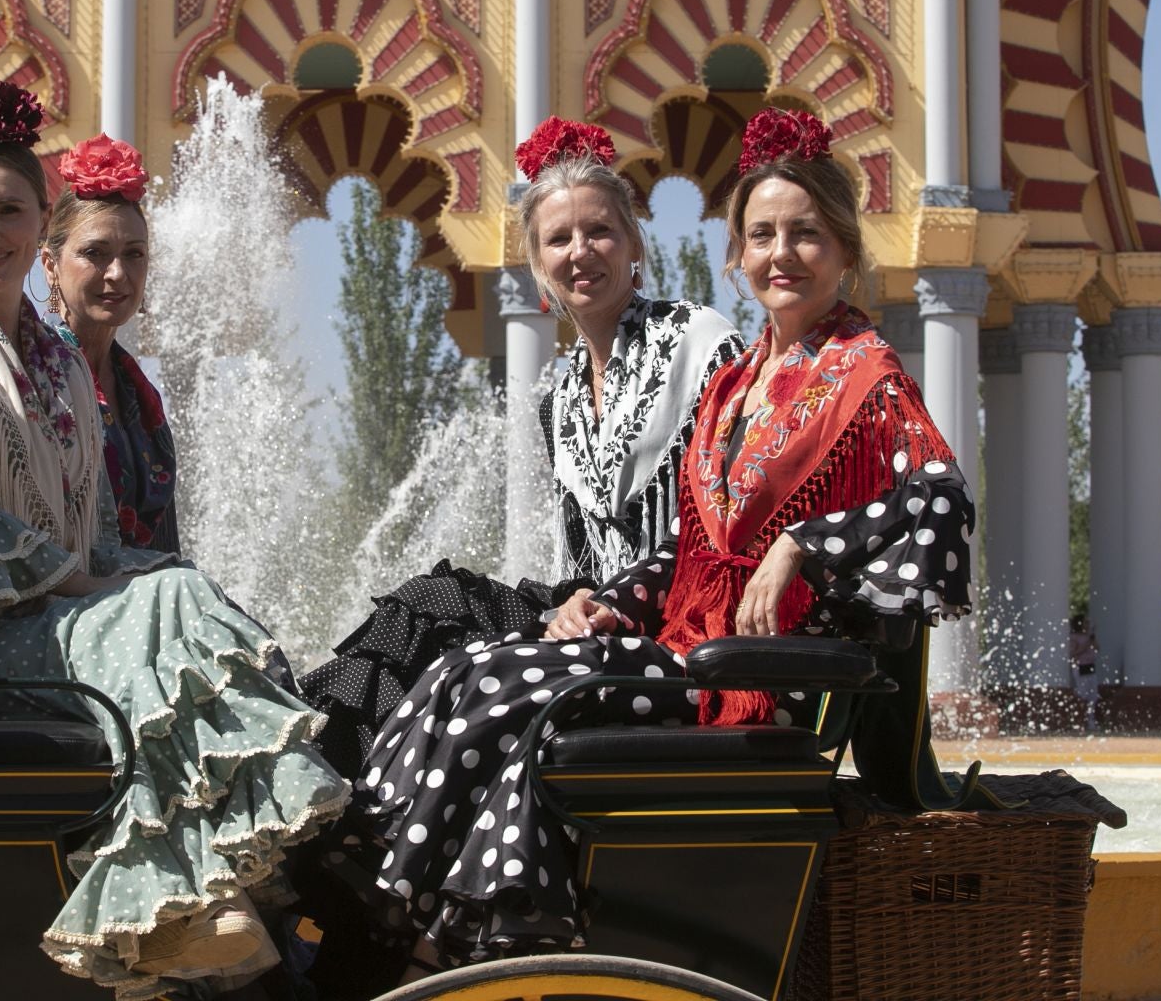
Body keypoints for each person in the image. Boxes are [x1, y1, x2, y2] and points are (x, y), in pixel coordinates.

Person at [336, 108, 974, 969]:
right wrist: (606, 599)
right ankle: (386, 889)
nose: (781, 253)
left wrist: (804, 547)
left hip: (752, 677)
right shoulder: (744, 383)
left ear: (847, 251)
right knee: (466, 666)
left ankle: (410, 928)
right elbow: (687, 548)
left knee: (505, 690)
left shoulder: (866, 375)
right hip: (679, 642)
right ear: (737, 258)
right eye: (761, 235)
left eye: (805, 234)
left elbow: (938, 509)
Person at [0, 79, 346, 997]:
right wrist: (78, 581)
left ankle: (213, 897)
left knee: (179, 590)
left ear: (35, 220)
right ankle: (187, 900)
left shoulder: (50, 362)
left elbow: (95, 533)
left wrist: (136, 578)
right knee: (155, 606)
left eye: (8, 209)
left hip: (39, 615)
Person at [301, 117, 741, 778]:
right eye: (557, 239)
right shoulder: (559, 396)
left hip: (674, 621)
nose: (579, 251)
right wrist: (574, 602)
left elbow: (728, 517)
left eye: (599, 231)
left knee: (469, 664)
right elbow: (583, 557)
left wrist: (612, 603)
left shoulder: (700, 342)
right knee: (423, 611)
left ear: (633, 245)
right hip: (590, 612)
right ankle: (324, 789)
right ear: (540, 264)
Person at [40, 136, 177, 553]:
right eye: (95, 253)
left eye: (134, 254)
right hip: (64, 603)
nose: (118, 273)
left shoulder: (140, 394)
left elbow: (166, 545)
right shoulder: (34, 378)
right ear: (50, 266)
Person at [1068, 614, 1101, 733]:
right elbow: (1073, 652)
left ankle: (1091, 721)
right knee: (1082, 694)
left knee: (1093, 695)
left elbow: (1097, 648)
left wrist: (1092, 639)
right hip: (1080, 666)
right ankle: (1079, 720)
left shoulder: (1089, 637)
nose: (1087, 625)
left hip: (1090, 666)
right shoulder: (1074, 637)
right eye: (1085, 623)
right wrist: (1086, 644)